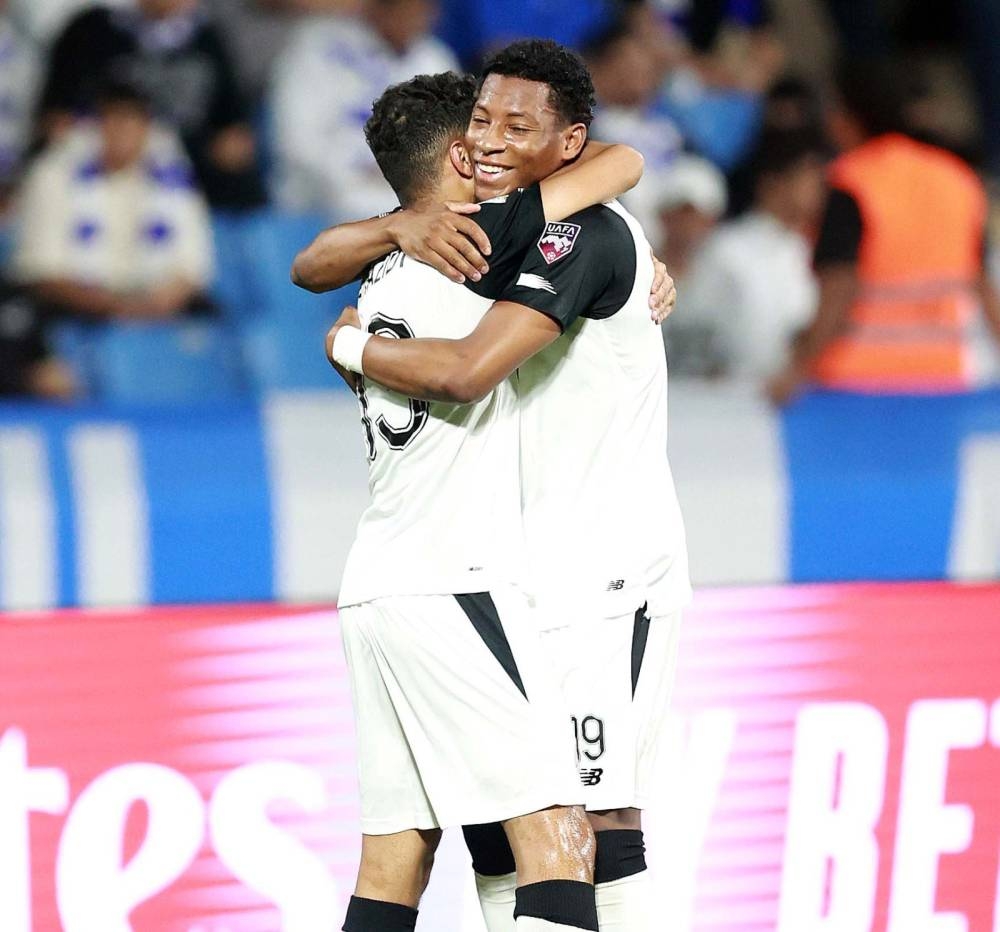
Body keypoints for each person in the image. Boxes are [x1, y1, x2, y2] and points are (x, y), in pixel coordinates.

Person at [311, 39, 690, 931]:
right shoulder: (468, 250)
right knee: (530, 831)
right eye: (481, 121)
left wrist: (348, 343)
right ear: (453, 152)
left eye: (517, 125)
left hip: (604, 570)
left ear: (568, 144)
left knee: (590, 821)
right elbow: (616, 165)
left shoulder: (571, 235)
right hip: (491, 574)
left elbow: (462, 358)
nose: (491, 139)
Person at [769, 58, 1000, 402]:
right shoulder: (958, 179)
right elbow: (983, 287)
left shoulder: (852, 182)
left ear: (852, 114)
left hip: (856, 386)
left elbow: (838, 288)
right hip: (940, 380)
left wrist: (797, 370)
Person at [12, 80, 215, 322]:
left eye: (132, 121)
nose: (122, 132)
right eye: (113, 120)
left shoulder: (172, 177)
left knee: (211, 319)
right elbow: (42, 273)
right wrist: (113, 307)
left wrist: (157, 304)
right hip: (76, 308)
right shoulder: (53, 173)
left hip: (156, 308)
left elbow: (193, 266)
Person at [35, 0, 266, 210]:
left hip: (187, 178)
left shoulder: (209, 39)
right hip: (100, 171)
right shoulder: (92, 29)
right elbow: (55, 121)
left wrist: (172, 149)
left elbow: (235, 137)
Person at [270, 0, 458, 216]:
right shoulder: (318, 47)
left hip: (408, 199)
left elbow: (453, 142)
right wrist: (357, 169)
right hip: (323, 201)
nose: (416, 15)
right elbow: (296, 142)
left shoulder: (435, 58)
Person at [676, 130, 825, 383]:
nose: (820, 190)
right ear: (773, 184)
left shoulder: (806, 249)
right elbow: (693, 327)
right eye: (809, 178)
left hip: (796, 396)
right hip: (730, 399)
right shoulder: (727, 248)